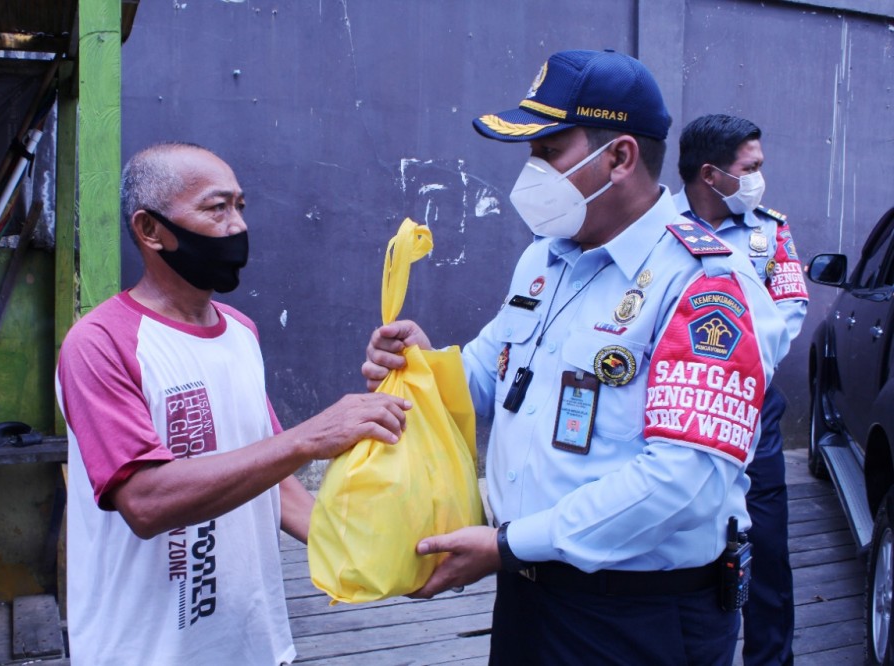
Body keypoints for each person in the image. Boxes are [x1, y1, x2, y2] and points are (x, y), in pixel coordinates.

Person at [363, 49, 791, 664]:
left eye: (547, 153)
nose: (529, 174)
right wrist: (424, 367)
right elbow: (495, 369)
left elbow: (684, 482)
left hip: (636, 617)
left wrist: (511, 545)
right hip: (527, 591)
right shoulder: (546, 257)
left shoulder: (704, 286)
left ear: (619, 157)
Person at [56, 142, 410, 666]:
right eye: (215, 208)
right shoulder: (100, 343)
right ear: (150, 230)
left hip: (254, 642)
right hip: (144, 650)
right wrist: (310, 436)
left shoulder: (240, 332)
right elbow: (146, 502)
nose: (237, 226)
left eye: (240, 206)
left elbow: (275, 479)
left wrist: (360, 552)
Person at [675, 114, 808, 665]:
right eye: (749, 168)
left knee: (769, 551)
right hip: (678, 411)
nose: (758, 178)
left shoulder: (770, 231)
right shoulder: (660, 228)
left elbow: (791, 308)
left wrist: (733, 368)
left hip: (753, 412)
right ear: (711, 175)